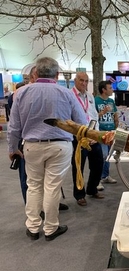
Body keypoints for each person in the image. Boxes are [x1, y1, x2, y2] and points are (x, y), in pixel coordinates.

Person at [7, 57, 87, 241]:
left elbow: (14, 126)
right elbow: (81, 122)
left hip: (31, 146)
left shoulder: (22, 93)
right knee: (52, 186)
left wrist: (12, 148)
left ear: (35, 73)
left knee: (33, 185)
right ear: (57, 74)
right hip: (60, 145)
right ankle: (51, 228)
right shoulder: (66, 93)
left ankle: (33, 227)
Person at [71, 72, 104, 206]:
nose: (84, 83)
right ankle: (79, 195)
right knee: (78, 167)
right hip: (78, 137)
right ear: (75, 80)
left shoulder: (90, 97)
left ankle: (92, 188)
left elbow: (94, 115)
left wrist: (96, 134)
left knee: (98, 163)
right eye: (81, 80)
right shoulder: (69, 96)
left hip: (92, 135)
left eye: (86, 81)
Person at [95, 80, 119, 190]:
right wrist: (102, 112)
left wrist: (116, 123)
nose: (112, 90)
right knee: (103, 155)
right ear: (104, 90)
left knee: (108, 155)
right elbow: (93, 117)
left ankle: (105, 175)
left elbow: (115, 114)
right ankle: (98, 179)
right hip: (101, 132)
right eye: (110, 88)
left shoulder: (111, 101)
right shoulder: (96, 101)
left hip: (111, 131)